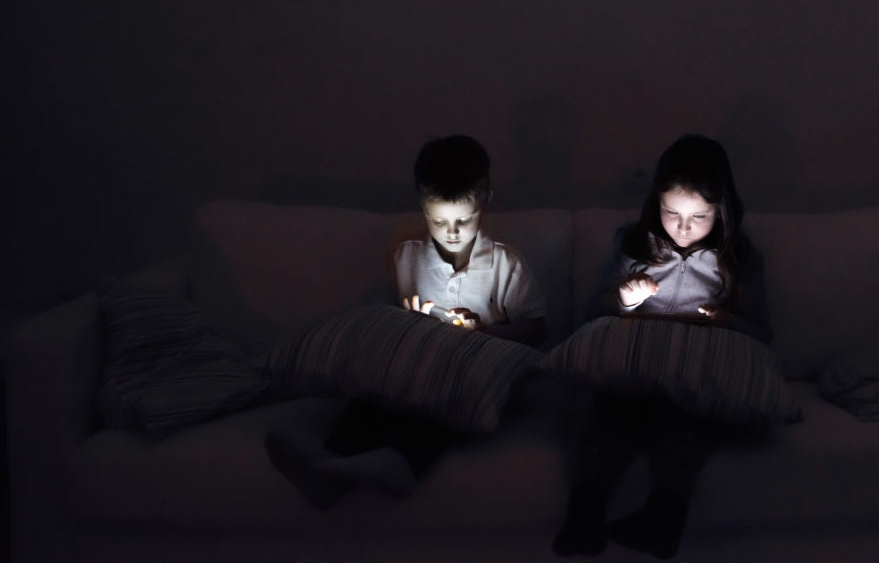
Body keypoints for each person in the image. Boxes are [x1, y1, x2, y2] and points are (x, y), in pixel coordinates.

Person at [265, 134, 546, 508]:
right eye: (438, 220)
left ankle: (401, 463)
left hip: (470, 379)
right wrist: (412, 322)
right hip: (414, 373)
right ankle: (329, 465)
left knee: (439, 406)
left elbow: (538, 328)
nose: (452, 232)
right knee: (374, 399)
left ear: (486, 200)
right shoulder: (405, 259)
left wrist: (482, 330)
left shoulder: (505, 265)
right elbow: (382, 323)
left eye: (464, 220)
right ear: (421, 205)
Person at [553, 134, 770, 559]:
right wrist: (623, 300)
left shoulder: (739, 258)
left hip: (692, 375)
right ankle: (584, 512)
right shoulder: (633, 245)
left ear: (721, 211)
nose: (683, 228)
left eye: (699, 217)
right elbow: (592, 314)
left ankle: (664, 516)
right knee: (608, 414)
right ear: (656, 204)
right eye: (671, 213)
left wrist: (725, 321)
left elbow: (762, 331)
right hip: (631, 370)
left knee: (685, 422)